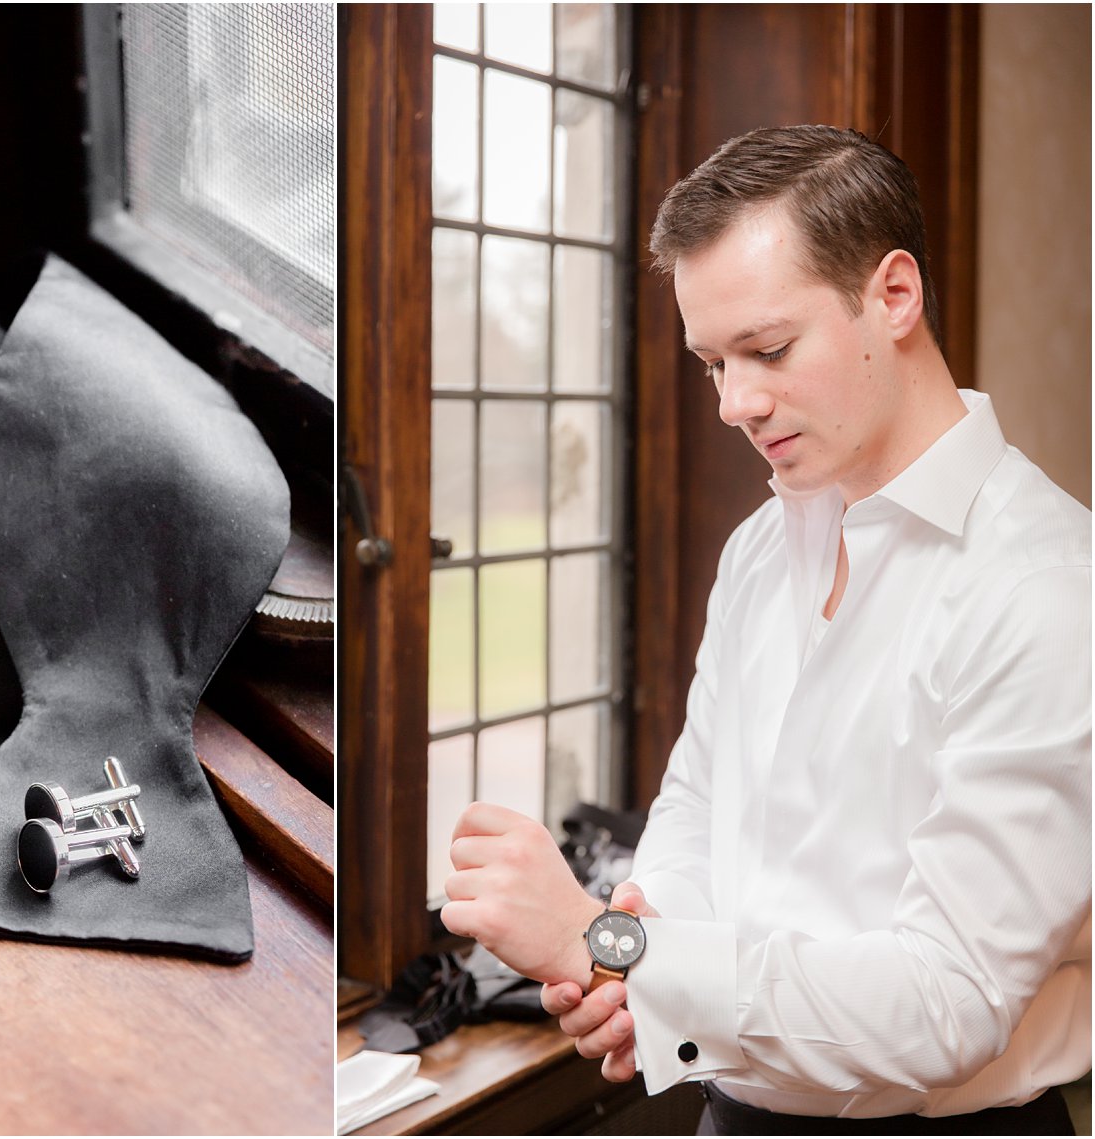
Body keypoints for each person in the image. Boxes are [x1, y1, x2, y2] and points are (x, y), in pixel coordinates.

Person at [440, 125, 1090, 1134]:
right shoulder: (758, 546)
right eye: (711, 362)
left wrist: (607, 947)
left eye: (768, 349)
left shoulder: (1045, 587)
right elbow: (701, 798)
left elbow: (947, 1001)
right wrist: (637, 967)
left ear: (893, 295)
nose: (734, 403)